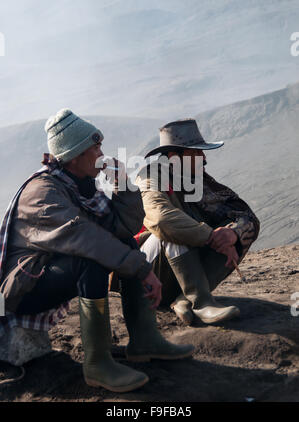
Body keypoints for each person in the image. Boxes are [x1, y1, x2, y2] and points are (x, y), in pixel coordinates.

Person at [0, 109, 194, 393]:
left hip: (45, 275)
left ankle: (145, 340)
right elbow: (85, 238)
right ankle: (97, 364)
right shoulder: (42, 195)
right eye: (96, 148)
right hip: (20, 293)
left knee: (123, 244)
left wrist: (123, 185)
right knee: (89, 261)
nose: (102, 154)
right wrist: (143, 270)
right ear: (75, 155)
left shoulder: (79, 185)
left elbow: (122, 228)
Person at [135, 119, 260, 326]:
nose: (204, 159)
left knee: (237, 233)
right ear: (175, 158)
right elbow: (161, 219)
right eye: (197, 152)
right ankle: (201, 302)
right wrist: (210, 236)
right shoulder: (150, 176)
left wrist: (231, 234)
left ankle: (184, 300)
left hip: (180, 273)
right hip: (148, 274)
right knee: (170, 229)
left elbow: (246, 215)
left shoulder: (202, 182)